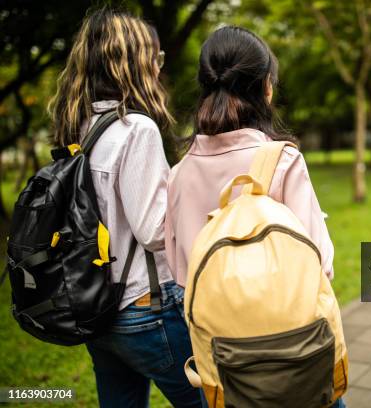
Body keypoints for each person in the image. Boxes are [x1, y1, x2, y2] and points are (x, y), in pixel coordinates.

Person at [165, 26, 345, 407]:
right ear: (266, 86)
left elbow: (182, 274)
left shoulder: (179, 173)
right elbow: (320, 263)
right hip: (294, 350)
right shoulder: (281, 160)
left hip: (223, 364)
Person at [48, 8, 204, 408]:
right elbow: (154, 233)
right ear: (130, 63)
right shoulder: (136, 129)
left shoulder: (81, 126)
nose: (158, 67)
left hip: (98, 310)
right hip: (145, 309)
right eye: (155, 57)